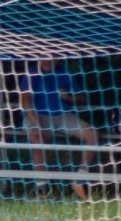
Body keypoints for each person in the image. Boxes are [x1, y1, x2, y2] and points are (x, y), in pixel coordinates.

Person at [21, 58, 98, 199]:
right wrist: (36, 125)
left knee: (93, 135)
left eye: (51, 58)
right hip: (37, 116)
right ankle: (42, 189)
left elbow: (82, 98)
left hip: (63, 115)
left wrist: (68, 98)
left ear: (58, 60)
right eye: (43, 57)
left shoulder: (65, 72)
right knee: (37, 140)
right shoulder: (32, 73)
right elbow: (25, 100)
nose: (46, 61)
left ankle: (79, 180)